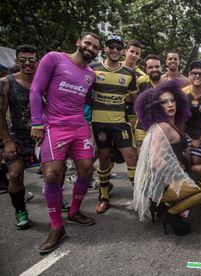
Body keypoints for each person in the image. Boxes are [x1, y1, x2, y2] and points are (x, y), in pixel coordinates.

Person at [30, 32, 100, 253]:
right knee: (52, 174)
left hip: (79, 126)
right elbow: (36, 90)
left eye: (95, 47)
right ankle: (56, 226)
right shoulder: (54, 58)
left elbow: (84, 103)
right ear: (78, 42)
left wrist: (88, 129)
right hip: (54, 126)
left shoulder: (91, 74)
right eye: (87, 43)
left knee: (87, 170)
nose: (90, 48)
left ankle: (73, 212)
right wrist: (36, 122)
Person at [131, 79, 201, 235]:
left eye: (172, 100)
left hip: (166, 180)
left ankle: (163, 208)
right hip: (161, 184)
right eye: (164, 102)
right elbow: (156, 161)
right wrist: (184, 173)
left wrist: (186, 169)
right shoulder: (163, 127)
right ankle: (171, 214)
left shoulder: (173, 124)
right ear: (156, 107)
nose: (170, 104)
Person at [90, 35, 138, 214]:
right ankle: (104, 197)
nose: (115, 50)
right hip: (99, 123)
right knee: (103, 159)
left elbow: (134, 97)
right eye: (112, 47)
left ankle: (138, 195)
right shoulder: (93, 69)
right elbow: (86, 95)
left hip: (120, 122)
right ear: (105, 48)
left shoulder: (129, 73)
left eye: (119, 48)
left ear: (123, 51)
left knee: (131, 158)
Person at [0, 44, 38, 229]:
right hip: (17, 136)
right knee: (15, 174)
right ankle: (20, 210)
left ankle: (56, 201)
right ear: (16, 61)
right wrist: (7, 141)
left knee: (55, 171)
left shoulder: (43, 81)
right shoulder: (6, 82)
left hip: (41, 135)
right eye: (23, 60)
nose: (28, 64)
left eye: (32, 60)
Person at [182, 60, 201, 167]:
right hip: (184, 133)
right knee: (182, 161)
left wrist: (199, 140)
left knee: (196, 161)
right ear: (189, 75)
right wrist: (184, 139)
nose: (197, 76)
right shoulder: (182, 93)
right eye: (194, 73)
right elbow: (178, 119)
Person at [134, 54, 166, 155]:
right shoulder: (141, 81)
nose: (154, 69)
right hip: (141, 128)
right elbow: (136, 99)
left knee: (158, 161)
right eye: (150, 67)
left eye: (157, 66)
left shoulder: (169, 84)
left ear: (162, 67)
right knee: (142, 160)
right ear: (146, 70)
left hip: (161, 129)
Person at [122, 39, 146, 128]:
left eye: (137, 53)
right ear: (125, 51)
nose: (134, 55)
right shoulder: (116, 68)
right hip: (112, 113)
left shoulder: (142, 76)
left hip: (132, 116)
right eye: (131, 51)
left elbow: (140, 98)